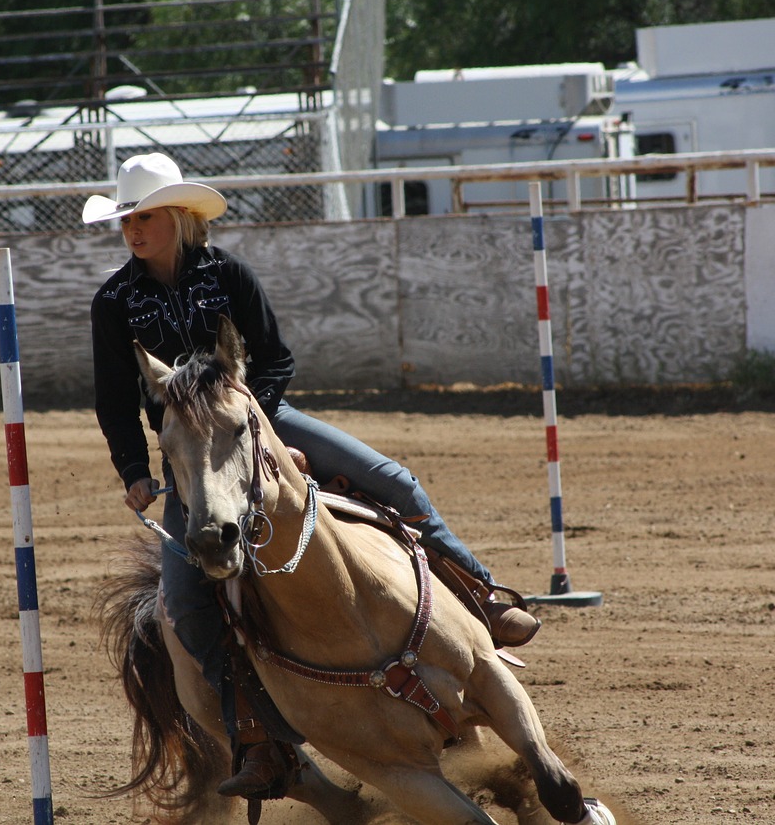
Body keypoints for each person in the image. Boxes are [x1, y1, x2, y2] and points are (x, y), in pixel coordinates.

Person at [86, 152, 540, 799]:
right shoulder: (114, 303)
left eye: (146, 215)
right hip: (190, 458)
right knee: (185, 599)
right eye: (127, 218)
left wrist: (264, 440)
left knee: (393, 478)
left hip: (263, 422)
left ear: (181, 216)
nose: (133, 229)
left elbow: (274, 358)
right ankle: (259, 737)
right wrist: (133, 468)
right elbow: (113, 399)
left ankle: (483, 596)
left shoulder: (228, 275)